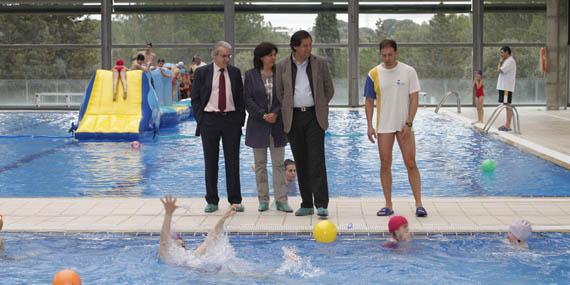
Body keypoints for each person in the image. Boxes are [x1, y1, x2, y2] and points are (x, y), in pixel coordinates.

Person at [364, 39, 427, 218]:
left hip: (403, 124)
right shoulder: (373, 73)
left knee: (410, 162)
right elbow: (369, 101)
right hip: (384, 125)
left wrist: (409, 122)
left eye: (390, 54)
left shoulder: (408, 71)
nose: (387, 58)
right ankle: (388, 204)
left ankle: (419, 204)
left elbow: (414, 99)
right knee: (385, 164)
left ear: (396, 53)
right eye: (384, 55)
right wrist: (369, 125)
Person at [275, 30, 334, 218]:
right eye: (305, 45)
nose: (309, 48)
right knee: (300, 160)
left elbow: (329, 89)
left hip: (314, 116)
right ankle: (307, 204)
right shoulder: (282, 66)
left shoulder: (320, 63)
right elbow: (280, 93)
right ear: (295, 47)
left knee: (316, 160)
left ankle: (321, 204)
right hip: (293, 117)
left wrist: (320, 106)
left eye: (310, 44)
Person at [190, 41, 246, 213]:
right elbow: (196, 98)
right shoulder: (202, 73)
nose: (227, 59)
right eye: (224, 56)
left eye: (229, 55)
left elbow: (240, 98)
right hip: (209, 120)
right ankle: (212, 200)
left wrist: (239, 120)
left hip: (231, 121)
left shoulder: (235, 73)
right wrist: (201, 118)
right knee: (211, 161)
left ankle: (235, 200)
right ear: (214, 55)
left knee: (232, 161)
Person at [244, 42, 292, 213]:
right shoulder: (250, 75)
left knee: (279, 165)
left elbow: (286, 96)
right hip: (258, 125)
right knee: (260, 165)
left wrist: (275, 114)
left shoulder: (281, 73)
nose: (274, 58)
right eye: (271, 55)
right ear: (261, 57)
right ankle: (263, 200)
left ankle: (281, 200)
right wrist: (263, 115)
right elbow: (247, 99)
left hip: (277, 125)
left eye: (274, 55)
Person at [158, 195, 236, 263]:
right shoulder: (166, 256)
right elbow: (163, 240)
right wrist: (168, 214)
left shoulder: (192, 255)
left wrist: (224, 218)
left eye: (180, 240)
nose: (180, 240)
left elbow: (211, 238)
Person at [496, 46, 517, 132]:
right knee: (506, 104)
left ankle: (508, 125)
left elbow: (500, 70)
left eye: (502, 52)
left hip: (506, 87)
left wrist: (500, 62)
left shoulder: (510, 61)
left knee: (508, 104)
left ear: (507, 52)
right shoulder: (507, 61)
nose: (501, 54)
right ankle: (507, 124)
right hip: (503, 87)